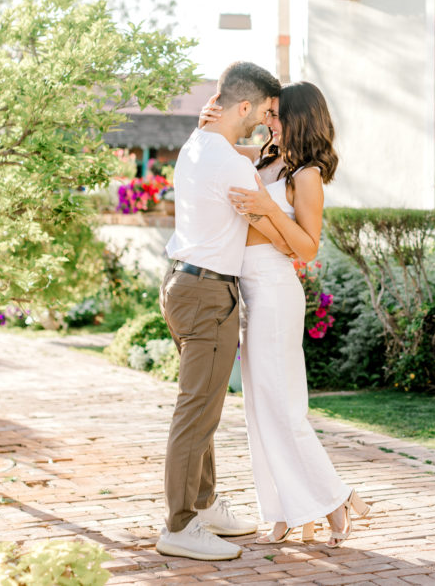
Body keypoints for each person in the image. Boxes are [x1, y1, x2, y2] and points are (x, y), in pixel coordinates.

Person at [200, 80, 371, 548]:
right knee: (258, 410)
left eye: (276, 114)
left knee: (284, 409)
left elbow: (306, 248)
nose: (267, 121)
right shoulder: (264, 161)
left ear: (299, 118)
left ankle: (335, 501)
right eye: (268, 114)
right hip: (246, 288)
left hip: (274, 291)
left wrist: (265, 211)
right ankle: (282, 510)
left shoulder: (307, 174)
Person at [156, 61, 291, 561]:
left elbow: (242, 154)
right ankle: (179, 524)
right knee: (197, 412)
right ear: (244, 107)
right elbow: (275, 223)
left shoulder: (198, 146)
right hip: (209, 294)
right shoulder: (231, 164)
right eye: (265, 112)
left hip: (183, 284)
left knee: (202, 405)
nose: (266, 120)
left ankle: (203, 505)